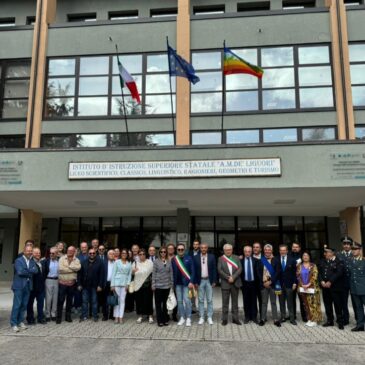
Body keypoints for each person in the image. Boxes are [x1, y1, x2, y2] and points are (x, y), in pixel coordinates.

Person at [10, 245, 38, 332]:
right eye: (28, 251)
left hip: (28, 286)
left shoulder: (32, 261)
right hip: (19, 286)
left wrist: (26, 270)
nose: (29, 252)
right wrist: (30, 271)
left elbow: (36, 271)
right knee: (17, 305)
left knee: (24, 305)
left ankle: (20, 321)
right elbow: (20, 272)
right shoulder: (18, 260)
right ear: (24, 251)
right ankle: (13, 323)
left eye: (31, 251)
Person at [318, 246, 345, 330]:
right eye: (325, 252)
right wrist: (321, 281)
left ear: (332, 253)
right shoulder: (322, 261)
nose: (325, 254)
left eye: (327, 252)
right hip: (325, 287)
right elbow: (319, 273)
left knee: (338, 305)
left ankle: (340, 322)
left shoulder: (339, 261)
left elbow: (339, 273)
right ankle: (330, 320)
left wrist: (330, 281)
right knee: (327, 304)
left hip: (335, 287)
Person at [218, 243, 242, 326]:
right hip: (225, 283)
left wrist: (233, 277)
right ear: (224, 250)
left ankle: (235, 319)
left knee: (235, 303)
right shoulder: (220, 259)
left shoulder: (236, 258)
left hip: (235, 283)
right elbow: (220, 270)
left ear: (232, 250)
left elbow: (240, 269)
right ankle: (224, 319)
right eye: (226, 250)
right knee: (225, 303)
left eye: (229, 249)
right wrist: (228, 277)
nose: (228, 251)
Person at [172, 243, 195, 327]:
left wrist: (191, 282)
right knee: (180, 301)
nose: (180, 251)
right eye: (179, 249)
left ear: (184, 250)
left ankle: (188, 318)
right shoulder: (174, 259)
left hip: (186, 284)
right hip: (177, 284)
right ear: (176, 250)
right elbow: (172, 272)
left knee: (187, 301)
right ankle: (182, 317)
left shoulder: (189, 258)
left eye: (182, 249)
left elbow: (193, 271)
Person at [193, 242, 217, 325]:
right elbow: (194, 271)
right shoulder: (195, 257)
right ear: (200, 248)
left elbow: (214, 269)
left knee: (210, 300)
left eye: (205, 248)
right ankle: (201, 317)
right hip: (200, 282)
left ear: (207, 248)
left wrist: (214, 281)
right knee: (200, 300)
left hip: (209, 281)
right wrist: (195, 281)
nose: (203, 249)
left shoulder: (212, 257)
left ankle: (209, 316)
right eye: (202, 248)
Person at [78, 248, 104, 322]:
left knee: (94, 302)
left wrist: (100, 285)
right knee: (84, 302)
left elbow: (101, 275)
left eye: (93, 253)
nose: (92, 254)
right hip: (85, 286)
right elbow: (79, 274)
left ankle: (95, 316)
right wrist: (79, 284)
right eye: (90, 253)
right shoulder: (83, 262)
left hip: (95, 286)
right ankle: (84, 315)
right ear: (88, 254)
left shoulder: (100, 262)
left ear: (96, 254)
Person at [296, 251, 322, 327]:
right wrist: (302, 285)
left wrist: (308, 284)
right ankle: (309, 319)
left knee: (313, 304)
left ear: (309, 257)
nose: (305, 257)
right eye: (304, 255)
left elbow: (315, 276)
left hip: (312, 288)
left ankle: (315, 320)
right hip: (303, 288)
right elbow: (297, 276)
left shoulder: (313, 265)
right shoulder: (299, 266)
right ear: (302, 257)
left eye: (307, 255)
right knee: (306, 304)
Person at [56, 246, 81, 324]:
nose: (69, 252)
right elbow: (60, 269)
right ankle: (59, 318)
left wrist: (68, 267)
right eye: (68, 250)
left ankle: (68, 317)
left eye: (71, 251)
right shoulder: (62, 258)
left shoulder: (77, 260)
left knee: (70, 301)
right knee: (60, 300)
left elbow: (78, 268)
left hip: (72, 284)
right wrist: (72, 270)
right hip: (62, 283)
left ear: (74, 252)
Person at [258, 244, 281, 327]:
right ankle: (262, 319)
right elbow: (258, 273)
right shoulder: (261, 260)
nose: (267, 251)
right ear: (264, 251)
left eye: (269, 250)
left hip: (273, 284)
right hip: (263, 285)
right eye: (266, 250)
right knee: (264, 303)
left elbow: (278, 272)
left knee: (273, 302)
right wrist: (264, 282)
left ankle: (275, 319)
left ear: (271, 251)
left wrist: (271, 282)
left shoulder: (276, 260)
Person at [152, 246, 173, 327]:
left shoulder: (169, 261)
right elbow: (154, 273)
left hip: (167, 286)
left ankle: (165, 319)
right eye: (161, 252)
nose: (163, 253)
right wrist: (153, 284)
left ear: (166, 253)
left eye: (164, 252)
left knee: (165, 304)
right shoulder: (156, 262)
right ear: (159, 253)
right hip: (158, 286)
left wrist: (172, 284)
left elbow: (171, 273)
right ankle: (159, 320)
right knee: (158, 304)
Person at [111, 248, 132, 324]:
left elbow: (129, 275)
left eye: (125, 253)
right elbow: (113, 273)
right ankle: (116, 317)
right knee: (117, 301)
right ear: (121, 254)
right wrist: (112, 285)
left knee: (122, 301)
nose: (124, 254)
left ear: (127, 255)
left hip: (124, 284)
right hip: (116, 283)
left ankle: (121, 317)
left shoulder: (129, 263)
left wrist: (128, 284)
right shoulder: (117, 262)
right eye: (123, 253)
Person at [240, 245, 260, 324]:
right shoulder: (240, 261)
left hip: (254, 283)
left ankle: (254, 317)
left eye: (249, 251)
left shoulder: (256, 260)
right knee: (246, 300)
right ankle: (247, 317)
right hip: (244, 284)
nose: (247, 253)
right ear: (244, 252)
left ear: (251, 252)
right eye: (246, 251)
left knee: (254, 300)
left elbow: (258, 273)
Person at [26, 247, 47, 325]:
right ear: (32, 254)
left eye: (39, 252)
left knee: (41, 303)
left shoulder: (41, 262)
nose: (38, 254)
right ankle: (30, 318)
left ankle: (40, 318)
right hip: (32, 287)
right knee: (30, 303)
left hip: (41, 288)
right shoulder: (30, 262)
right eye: (36, 253)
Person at [278, 244, 298, 325]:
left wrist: (294, 282)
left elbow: (295, 273)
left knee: (290, 302)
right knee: (281, 302)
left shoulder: (292, 260)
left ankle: (292, 318)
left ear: (287, 251)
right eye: (281, 250)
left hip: (289, 285)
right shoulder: (276, 259)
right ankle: (283, 317)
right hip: (279, 285)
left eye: (284, 250)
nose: (282, 251)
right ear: (279, 251)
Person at [337, 236, 355, 326]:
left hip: (353, 282)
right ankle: (345, 319)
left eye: (348, 244)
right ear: (342, 245)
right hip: (343, 283)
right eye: (345, 244)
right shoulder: (338, 255)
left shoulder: (354, 254)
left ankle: (358, 319)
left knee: (355, 302)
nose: (346, 246)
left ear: (351, 245)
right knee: (343, 302)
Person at [133, 249, 154, 324]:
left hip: (147, 284)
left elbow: (153, 274)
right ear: (138, 255)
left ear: (146, 255)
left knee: (148, 301)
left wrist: (153, 284)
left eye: (143, 254)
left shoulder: (150, 262)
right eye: (140, 254)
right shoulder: (135, 263)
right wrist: (133, 272)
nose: (142, 255)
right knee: (139, 301)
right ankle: (140, 316)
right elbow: (132, 273)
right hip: (138, 285)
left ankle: (150, 315)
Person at [348, 242, 365, 332]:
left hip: (363, 288)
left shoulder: (363, 261)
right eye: (353, 249)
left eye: (356, 249)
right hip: (354, 289)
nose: (354, 251)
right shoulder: (350, 261)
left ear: (360, 250)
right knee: (358, 308)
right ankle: (360, 325)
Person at [290, 242, 307, 322]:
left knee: (302, 299)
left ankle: (305, 316)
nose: (295, 248)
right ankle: (293, 316)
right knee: (292, 299)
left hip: (301, 282)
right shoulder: (288, 256)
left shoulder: (303, 256)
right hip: (292, 281)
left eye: (296, 247)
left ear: (299, 248)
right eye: (293, 247)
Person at [44, 246, 59, 321]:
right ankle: (47, 314)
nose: (51, 255)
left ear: (57, 254)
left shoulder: (59, 261)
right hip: (48, 280)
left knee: (55, 298)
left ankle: (53, 314)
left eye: (53, 253)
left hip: (57, 280)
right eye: (50, 253)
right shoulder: (46, 261)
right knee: (48, 298)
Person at [74, 241, 89, 312]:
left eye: (85, 247)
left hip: (89, 279)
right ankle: (77, 307)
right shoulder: (77, 257)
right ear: (80, 248)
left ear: (87, 247)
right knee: (78, 294)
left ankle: (85, 308)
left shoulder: (91, 255)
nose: (84, 248)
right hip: (79, 279)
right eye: (82, 247)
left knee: (87, 295)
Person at [101, 249, 115, 321]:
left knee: (113, 300)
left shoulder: (116, 263)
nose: (112, 255)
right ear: (107, 255)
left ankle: (112, 315)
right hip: (105, 283)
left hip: (114, 284)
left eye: (113, 254)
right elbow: (100, 275)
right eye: (110, 254)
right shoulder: (103, 263)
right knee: (105, 300)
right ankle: (105, 315)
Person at [166, 242, 178, 322]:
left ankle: (174, 315)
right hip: (165, 281)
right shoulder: (164, 257)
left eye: (172, 248)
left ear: (174, 250)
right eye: (169, 248)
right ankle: (167, 315)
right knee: (166, 299)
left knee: (175, 298)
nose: (170, 250)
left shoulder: (177, 258)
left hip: (175, 281)